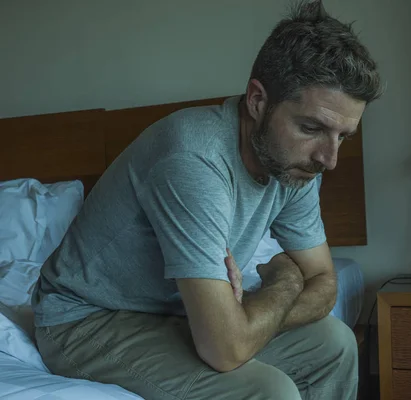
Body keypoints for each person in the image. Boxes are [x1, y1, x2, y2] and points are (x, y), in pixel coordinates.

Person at [32, 1, 383, 399]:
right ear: (257, 100)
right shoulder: (192, 159)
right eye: (312, 127)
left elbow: (324, 283)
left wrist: (247, 320)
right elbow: (226, 348)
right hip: (86, 321)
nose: (329, 159)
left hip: (175, 314)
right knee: (269, 391)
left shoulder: (298, 165)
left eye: (342, 136)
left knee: (334, 343)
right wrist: (285, 281)